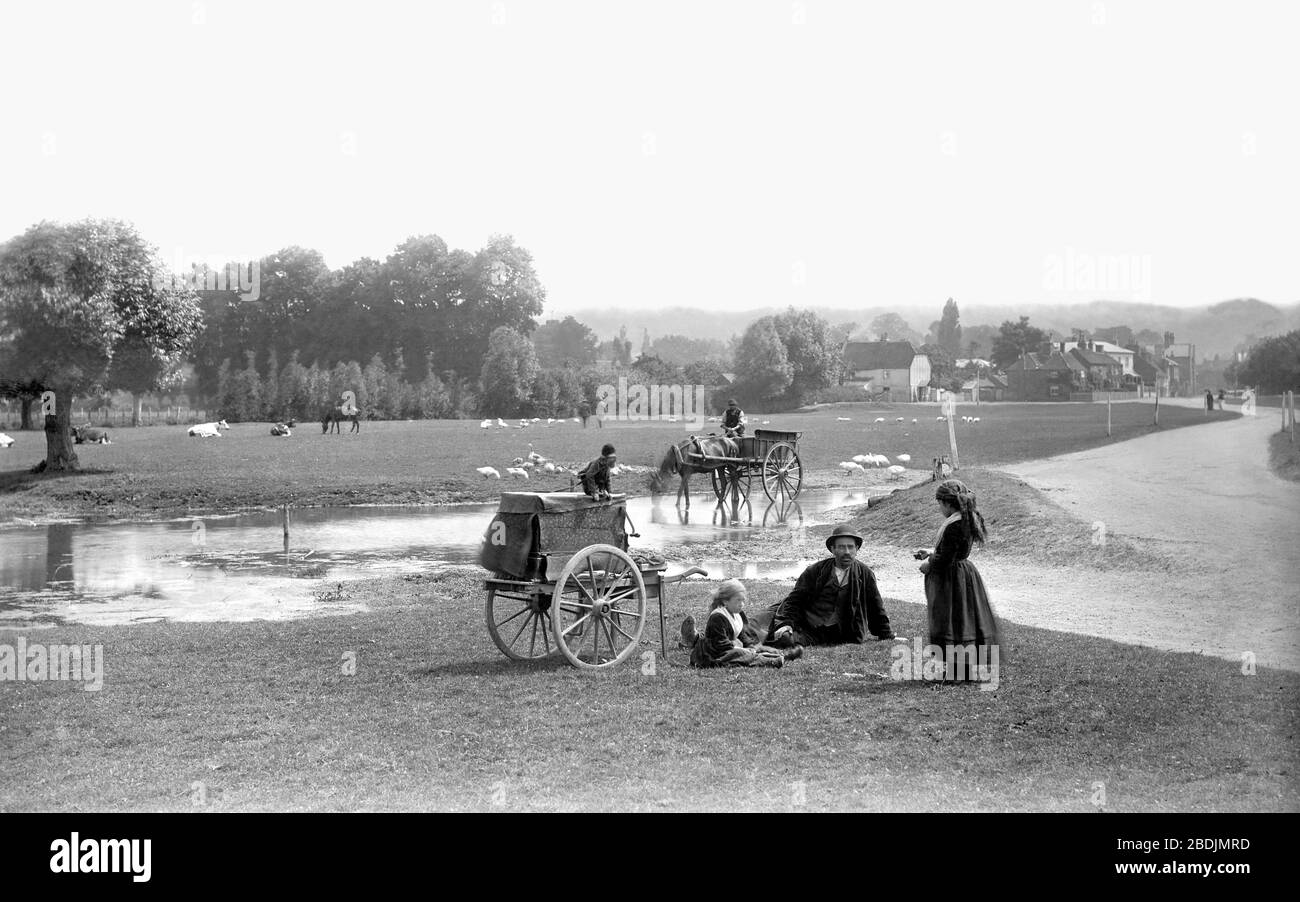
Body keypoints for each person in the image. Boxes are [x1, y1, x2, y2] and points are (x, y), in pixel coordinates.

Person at [915, 479, 1001, 683]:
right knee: (962, 619)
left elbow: (946, 558)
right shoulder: (965, 518)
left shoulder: (955, 524)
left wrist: (929, 564)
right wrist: (931, 551)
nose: (939, 508)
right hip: (962, 574)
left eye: (939, 504)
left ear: (946, 503)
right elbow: (952, 550)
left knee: (954, 620)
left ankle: (959, 672)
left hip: (953, 578)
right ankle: (961, 669)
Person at [758, 524, 897, 647]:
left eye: (851, 547)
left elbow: (875, 605)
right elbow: (795, 600)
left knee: (784, 639)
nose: (847, 552)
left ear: (857, 549)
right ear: (833, 549)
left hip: (840, 633)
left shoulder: (865, 574)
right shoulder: (815, 571)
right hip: (808, 627)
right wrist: (786, 623)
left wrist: (886, 633)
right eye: (842, 547)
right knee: (779, 636)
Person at [680, 579, 802, 668]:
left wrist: (751, 646)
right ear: (725, 601)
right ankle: (774, 660)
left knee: (756, 648)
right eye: (738, 600)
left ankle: (781, 654)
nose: (741, 604)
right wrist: (739, 647)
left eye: (743, 600)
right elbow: (719, 644)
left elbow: (744, 634)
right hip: (713, 654)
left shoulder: (738, 613)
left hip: (729, 648)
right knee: (740, 654)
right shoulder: (717, 618)